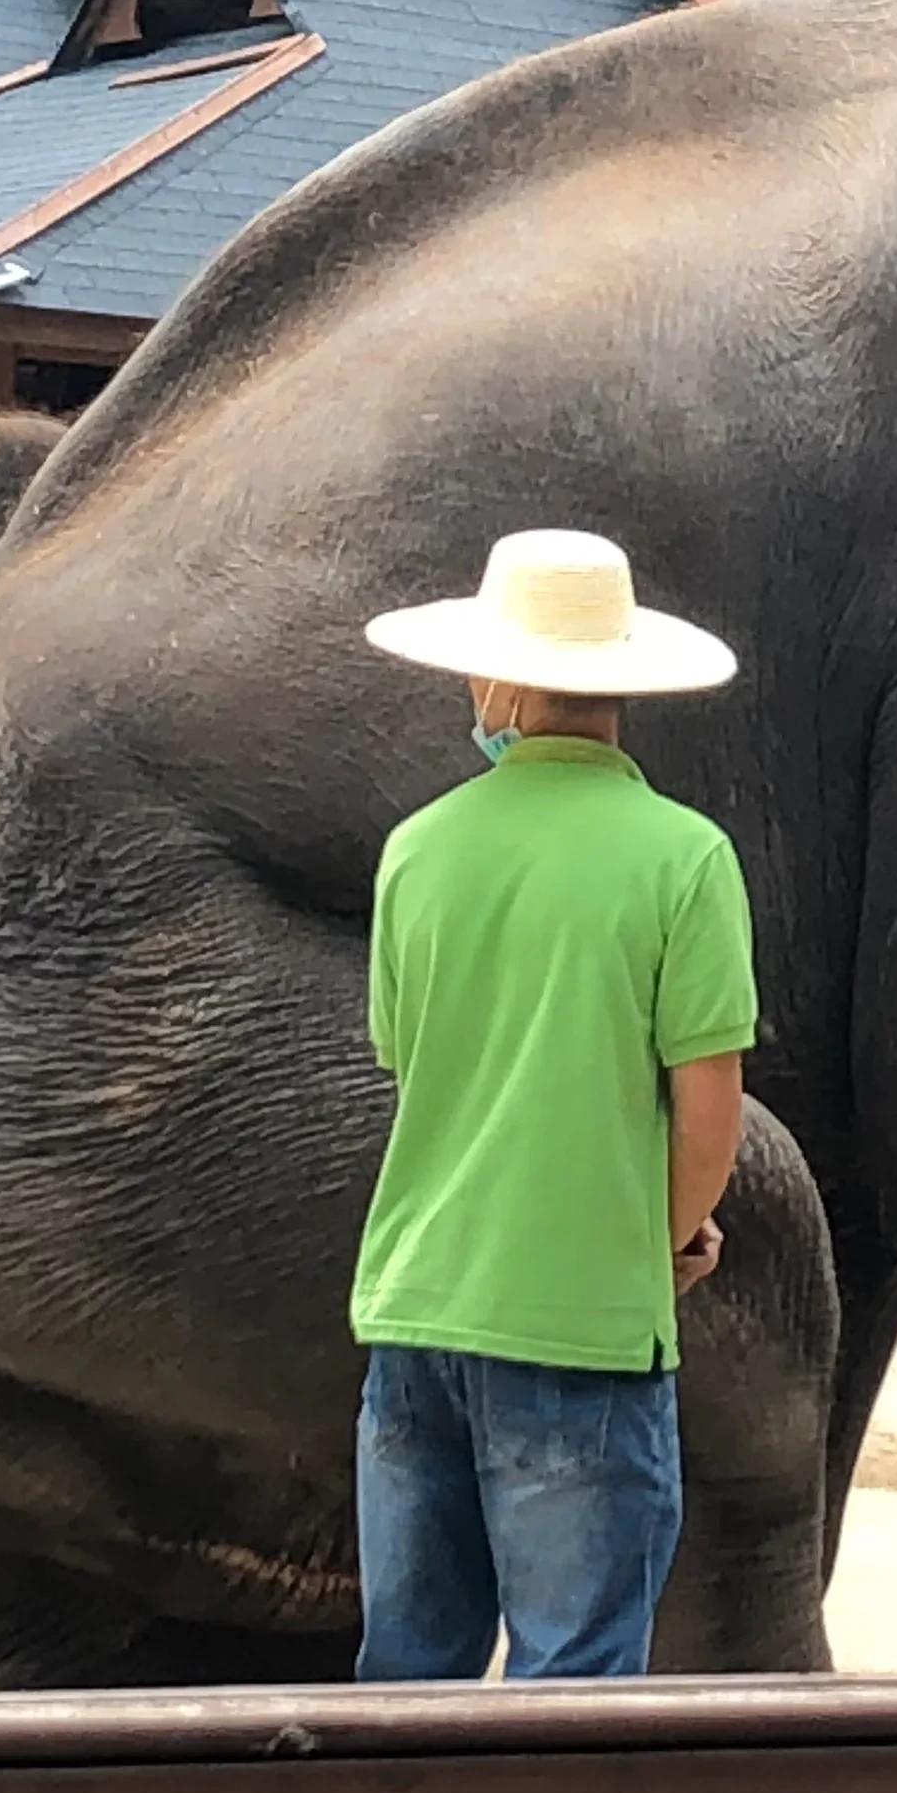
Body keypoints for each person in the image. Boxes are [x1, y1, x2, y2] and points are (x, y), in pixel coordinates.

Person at [348, 529, 750, 1684]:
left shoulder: (416, 850)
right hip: (584, 1328)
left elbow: (412, 1063)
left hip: (417, 1307)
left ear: (503, 684)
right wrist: (659, 1240)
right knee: (573, 1679)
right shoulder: (687, 859)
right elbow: (710, 1113)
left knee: (409, 1675)